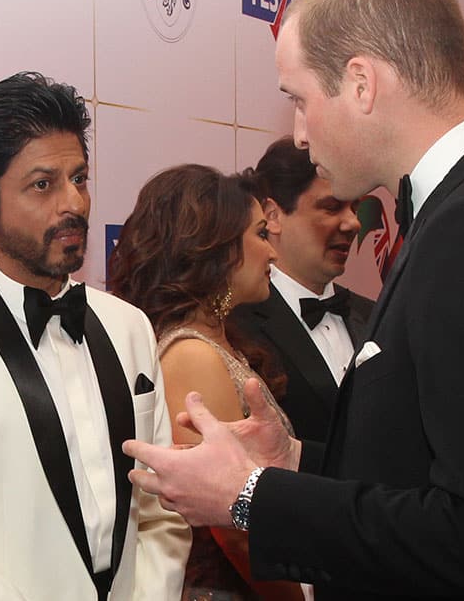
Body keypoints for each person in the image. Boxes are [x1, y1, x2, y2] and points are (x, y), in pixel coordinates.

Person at [121, 0, 464, 600]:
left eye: (299, 97)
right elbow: (424, 469)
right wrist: (295, 463)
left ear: (362, 83)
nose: (297, 132)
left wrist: (251, 499)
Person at [0, 71, 190, 601]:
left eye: (80, 178)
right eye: (43, 184)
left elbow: (162, 511)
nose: (74, 203)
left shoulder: (130, 326)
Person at [108, 164, 301, 601]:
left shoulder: (216, 342)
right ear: (218, 249)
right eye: (260, 235)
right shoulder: (193, 354)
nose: (273, 254)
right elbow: (230, 524)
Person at [232, 136, 374, 441]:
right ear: (273, 216)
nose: (353, 223)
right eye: (332, 207)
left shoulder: (377, 315)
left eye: (355, 207)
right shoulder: (235, 327)